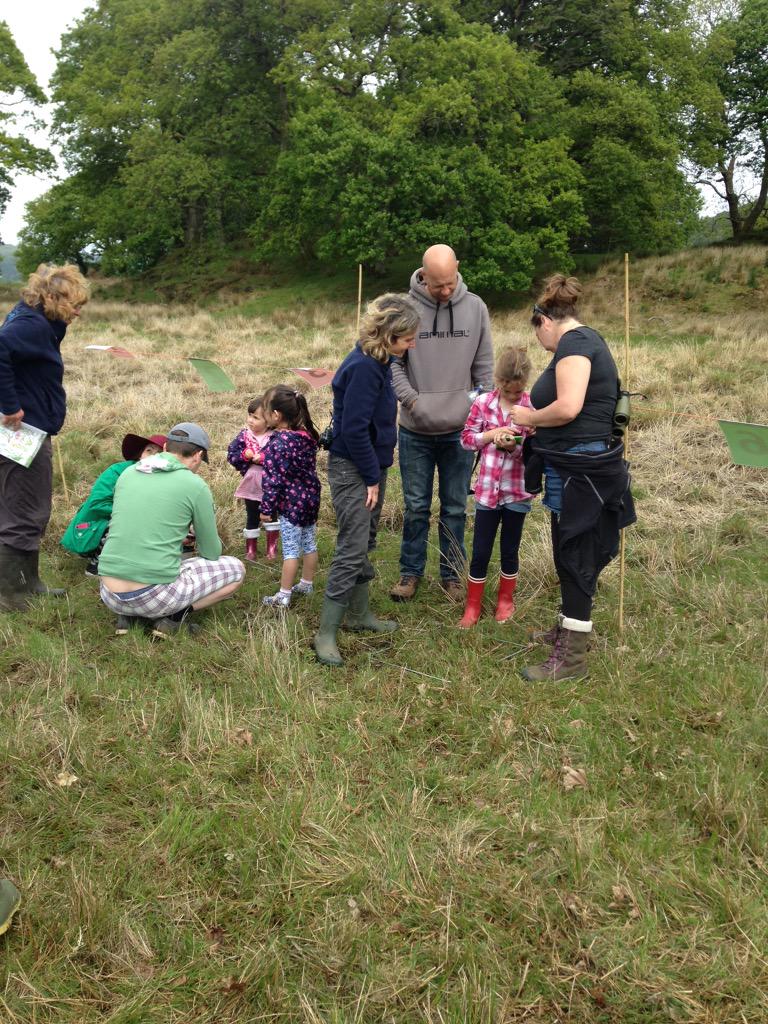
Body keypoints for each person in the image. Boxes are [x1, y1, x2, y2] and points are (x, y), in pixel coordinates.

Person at [510, 275, 636, 681]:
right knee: (568, 552)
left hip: (582, 470)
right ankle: (567, 629)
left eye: (539, 336)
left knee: (576, 555)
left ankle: (573, 661)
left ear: (544, 321)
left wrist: (529, 418)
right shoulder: (579, 343)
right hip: (570, 465)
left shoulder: (576, 345)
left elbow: (567, 407)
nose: (542, 346)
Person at [314, 293, 421, 666]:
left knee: (365, 541)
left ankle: (359, 616)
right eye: (407, 338)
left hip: (372, 467)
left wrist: (377, 471)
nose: (411, 344)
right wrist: (372, 477)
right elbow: (354, 429)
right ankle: (326, 632)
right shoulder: (362, 367)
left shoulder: (379, 363)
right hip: (354, 469)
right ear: (388, 334)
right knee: (352, 546)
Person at [390, 244, 494, 602]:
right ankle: (410, 572)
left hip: (460, 432)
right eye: (437, 285)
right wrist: (412, 400)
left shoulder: (475, 308)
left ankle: (451, 575)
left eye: (450, 283)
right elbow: (392, 364)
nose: (445, 291)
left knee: (454, 507)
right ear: (422, 275)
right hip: (415, 430)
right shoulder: (403, 309)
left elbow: (484, 369)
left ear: (458, 270)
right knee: (416, 507)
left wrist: (478, 410)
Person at [98, 423, 245, 636]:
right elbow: (211, 552)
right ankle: (174, 617)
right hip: (155, 596)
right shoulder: (195, 485)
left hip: (109, 593)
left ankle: (129, 618)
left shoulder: (128, 473)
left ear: (165, 446)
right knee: (236, 570)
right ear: (198, 455)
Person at [0, 264, 89, 610]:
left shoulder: (37, 321)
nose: (79, 312)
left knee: (21, 505)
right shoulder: (30, 325)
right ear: (53, 299)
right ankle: (12, 594)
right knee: (25, 507)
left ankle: (28, 582)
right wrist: (10, 406)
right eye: (75, 305)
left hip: (30, 428)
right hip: (23, 432)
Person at [458, 347, 536, 628]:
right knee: (480, 550)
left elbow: (535, 451)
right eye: (509, 391)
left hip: (517, 490)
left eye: (519, 392)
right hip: (488, 491)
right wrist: (491, 436)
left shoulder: (531, 408)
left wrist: (515, 447)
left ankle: (506, 601)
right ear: (498, 382)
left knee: (510, 549)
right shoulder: (482, 403)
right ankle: (472, 605)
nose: (514, 397)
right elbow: (466, 439)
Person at [61, 432, 167, 575]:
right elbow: (97, 504)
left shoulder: (166, 479)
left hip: (135, 528)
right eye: (149, 450)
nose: (154, 456)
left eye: (160, 453)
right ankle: (96, 565)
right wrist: (135, 513)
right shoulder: (117, 472)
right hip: (95, 527)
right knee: (130, 520)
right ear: (140, 453)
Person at [259, 386, 321, 608]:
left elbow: (272, 481)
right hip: (310, 500)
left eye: (265, 409)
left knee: (292, 550)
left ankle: (283, 595)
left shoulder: (277, 444)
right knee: (309, 544)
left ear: (276, 415)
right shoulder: (306, 435)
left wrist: (267, 509)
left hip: (291, 505)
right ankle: (306, 583)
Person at [227, 397, 273, 561]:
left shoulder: (274, 438)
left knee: (271, 516)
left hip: (271, 486)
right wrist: (243, 456)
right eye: (250, 415)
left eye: (256, 417)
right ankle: (251, 549)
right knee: (252, 514)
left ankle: (271, 549)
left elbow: (281, 459)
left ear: (268, 421)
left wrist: (264, 458)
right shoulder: (244, 436)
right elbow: (231, 455)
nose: (250, 420)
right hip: (252, 483)